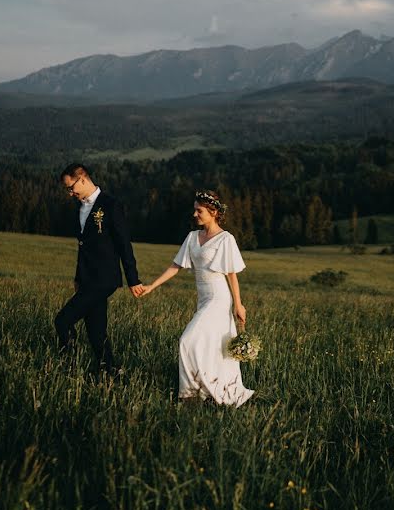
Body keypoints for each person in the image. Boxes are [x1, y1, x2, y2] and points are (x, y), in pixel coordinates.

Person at [140, 190, 254, 407]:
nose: (195, 214)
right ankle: (208, 389)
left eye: (199, 210)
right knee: (210, 345)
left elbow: (232, 274)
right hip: (203, 299)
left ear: (213, 212)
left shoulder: (225, 239)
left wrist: (238, 304)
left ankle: (189, 395)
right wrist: (151, 286)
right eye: (194, 210)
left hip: (219, 299)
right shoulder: (192, 237)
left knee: (187, 340)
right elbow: (176, 266)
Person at [54, 163, 144, 377]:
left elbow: (124, 244)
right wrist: (78, 277)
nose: (70, 193)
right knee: (96, 328)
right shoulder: (80, 207)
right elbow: (82, 246)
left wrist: (133, 279)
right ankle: (110, 369)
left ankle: (70, 369)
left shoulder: (111, 205)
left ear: (83, 179)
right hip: (87, 278)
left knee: (62, 321)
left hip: (105, 279)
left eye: (71, 187)